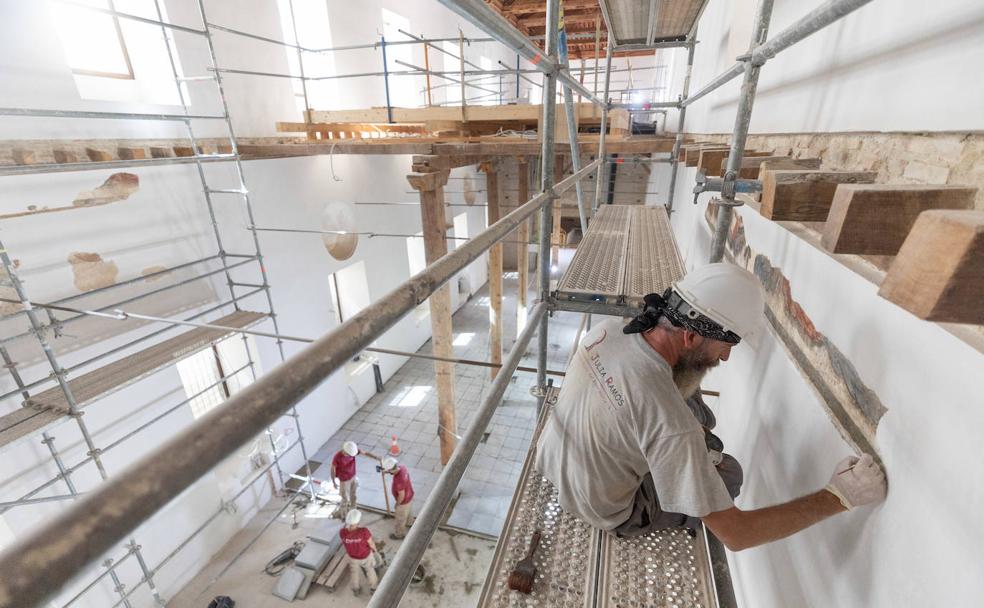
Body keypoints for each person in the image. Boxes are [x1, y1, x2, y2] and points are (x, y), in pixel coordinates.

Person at [535, 263, 887, 550]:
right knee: (729, 472)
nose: (728, 355)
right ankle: (676, 497)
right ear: (690, 335)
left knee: (696, 404)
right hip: (607, 511)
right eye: (726, 342)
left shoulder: (608, 330)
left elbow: (652, 399)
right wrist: (839, 496)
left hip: (551, 461)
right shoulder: (672, 424)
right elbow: (737, 534)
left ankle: (679, 461)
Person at [330, 441, 379, 512]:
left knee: (353, 495)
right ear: (345, 451)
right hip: (344, 480)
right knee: (345, 498)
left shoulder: (352, 450)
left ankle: (353, 509)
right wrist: (333, 482)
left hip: (353, 476)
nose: (352, 456)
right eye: (351, 455)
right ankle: (343, 513)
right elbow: (332, 470)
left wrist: (375, 457)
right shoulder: (337, 457)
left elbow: (365, 453)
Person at [339, 509, 378, 597]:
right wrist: (375, 550)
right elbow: (371, 543)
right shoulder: (364, 531)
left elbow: (347, 537)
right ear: (358, 521)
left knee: (354, 572)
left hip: (353, 557)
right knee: (370, 570)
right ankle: (373, 588)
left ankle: (356, 589)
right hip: (365, 556)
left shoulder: (342, 532)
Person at [382, 457, 414, 539]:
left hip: (404, 501)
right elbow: (394, 469)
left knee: (400, 518)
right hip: (410, 495)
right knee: (408, 511)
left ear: (392, 470)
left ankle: (399, 534)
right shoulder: (402, 467)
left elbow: (401, 495)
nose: (389, 472)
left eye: (389, 471)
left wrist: (397, 504)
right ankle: (410, 523)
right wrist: (387, 471)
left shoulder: (399, 480)